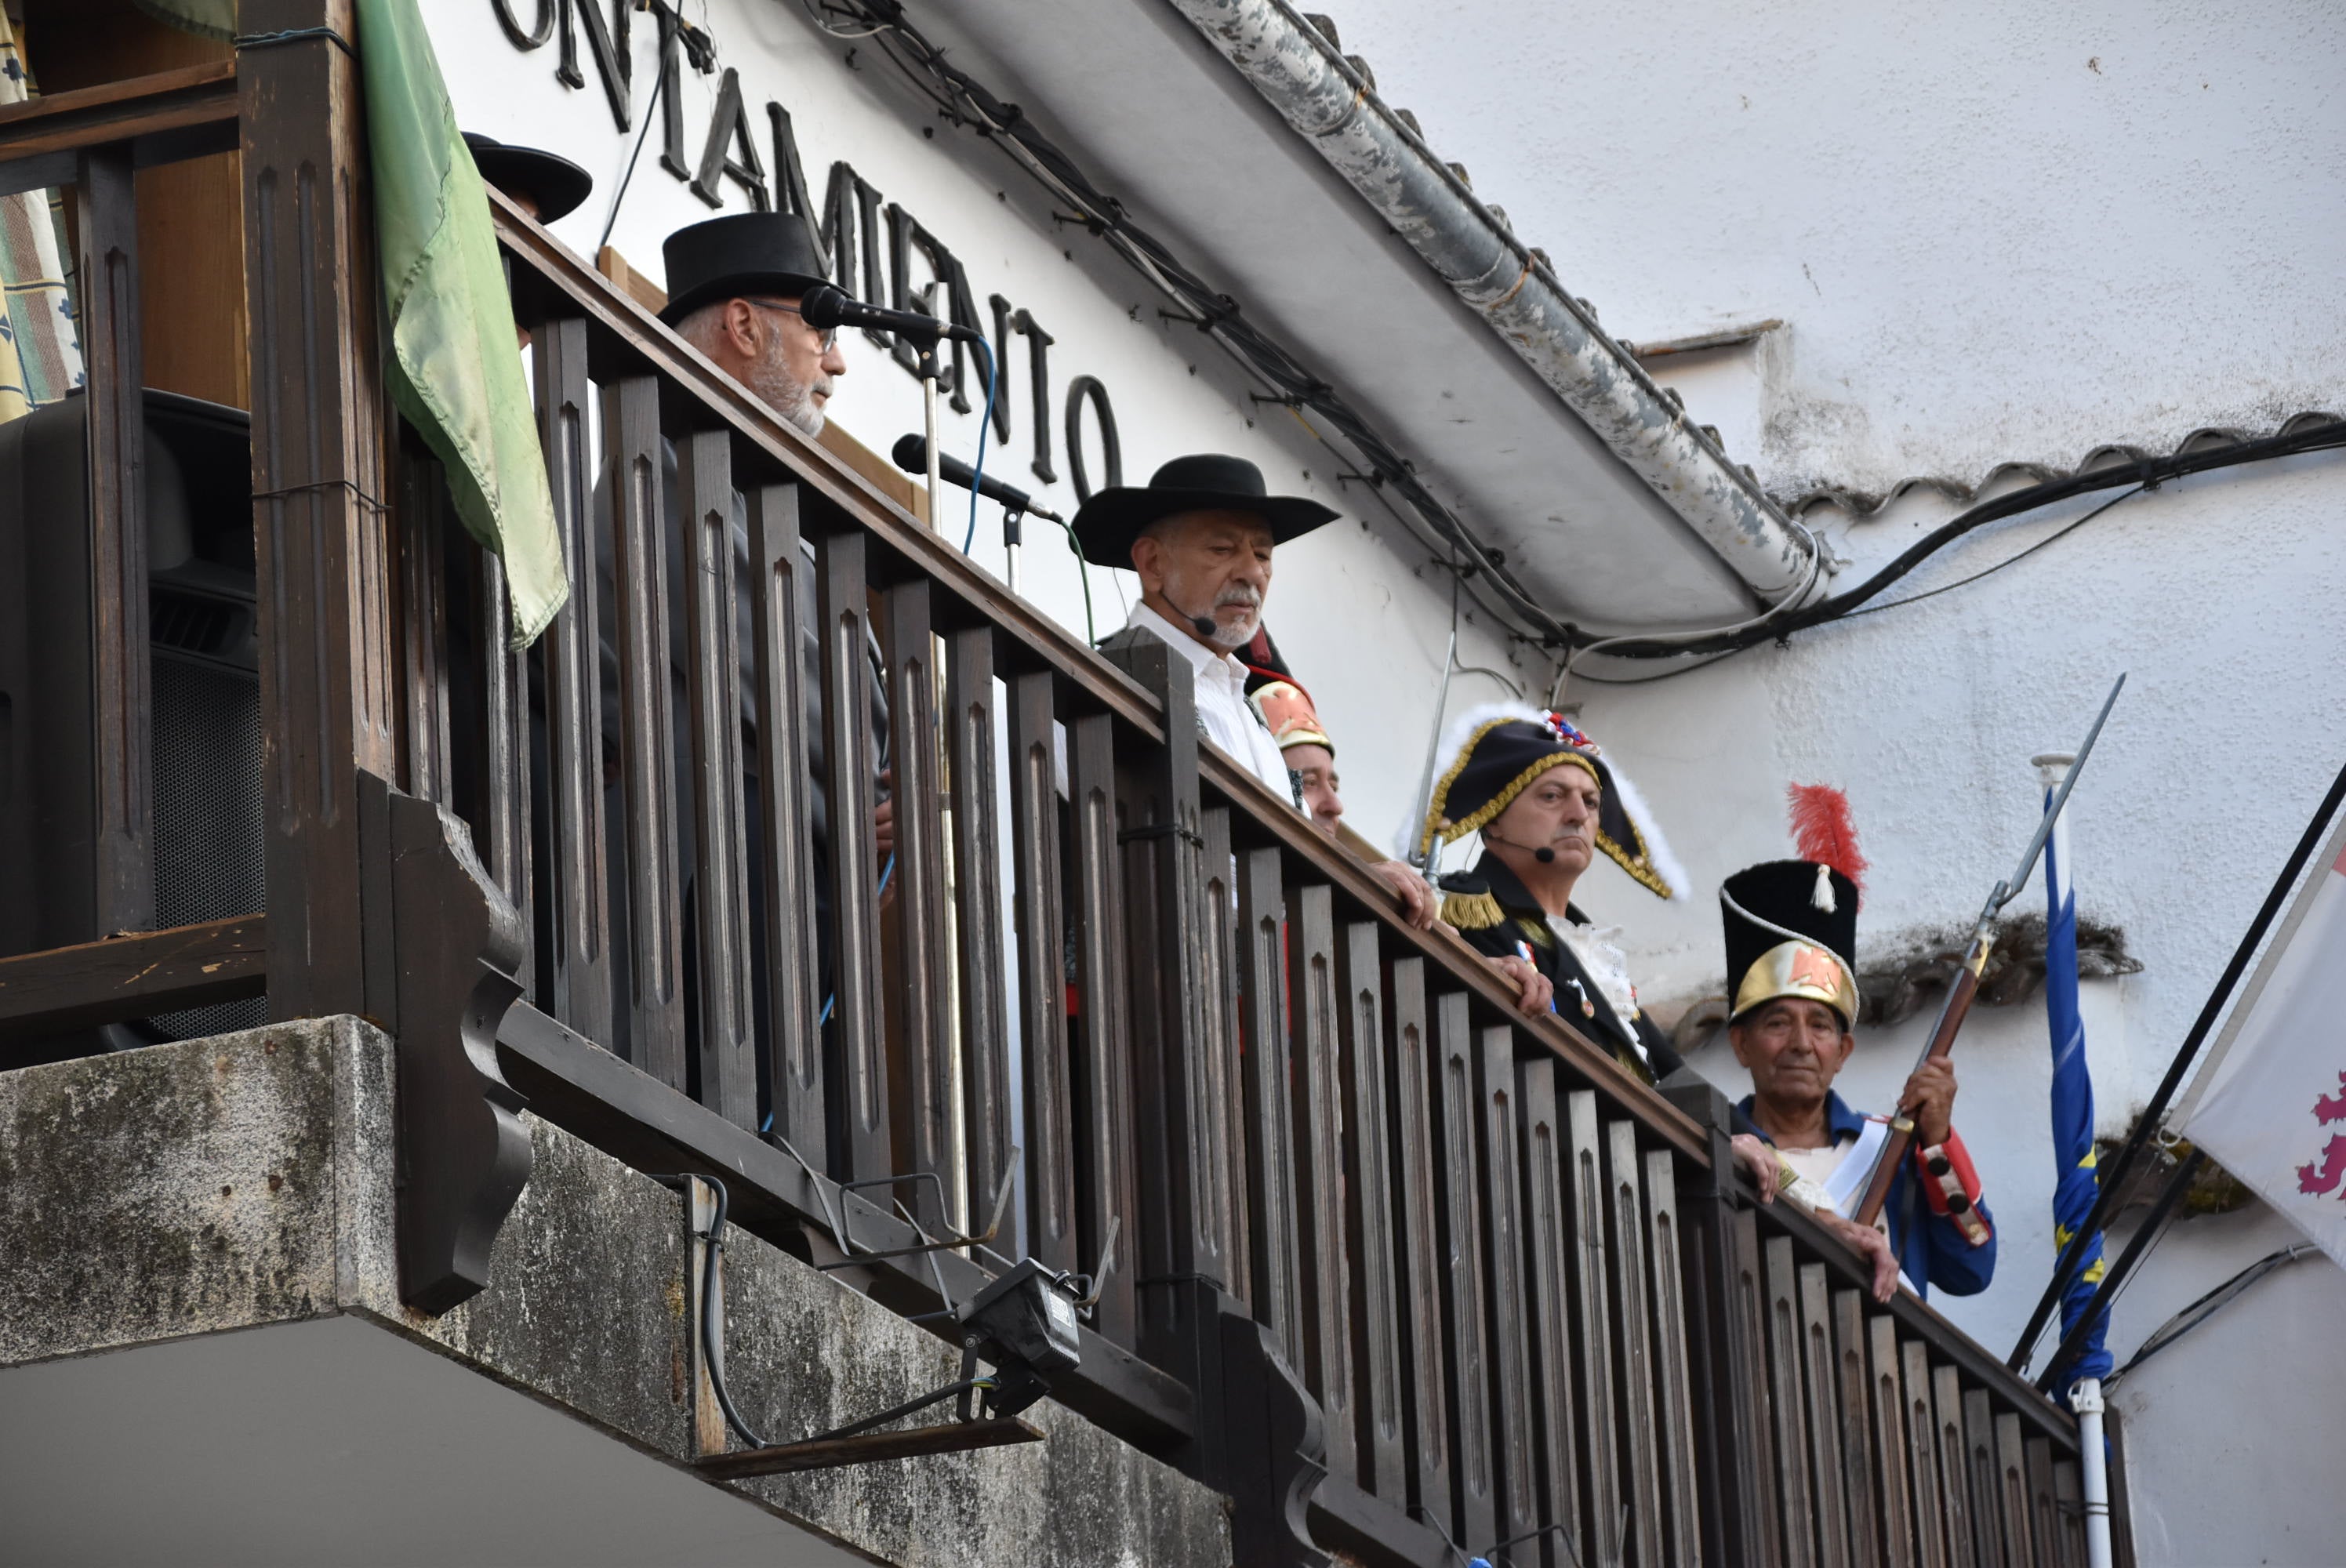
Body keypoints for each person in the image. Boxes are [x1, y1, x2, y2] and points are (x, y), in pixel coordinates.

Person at [1073, 455, 1436, 928]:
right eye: (1223, 549)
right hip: (1145, 986)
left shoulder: (1250, 714)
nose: (1252, 572)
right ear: (1153, 563)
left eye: (1263, 554)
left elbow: (1296, 863)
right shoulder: (1109, 682)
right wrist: (1354, 883)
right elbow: (1185, 860)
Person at [1719, 851, 1996, 1301]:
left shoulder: (1893, 1147)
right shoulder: (1718, 1146)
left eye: (1821, 1026)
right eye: (1777, 1023)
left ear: (1843, 1051)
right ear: (1741, 1044)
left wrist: (1936, 1139)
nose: (1801, 1044)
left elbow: (1971, 1270)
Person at [1414, 704, 1688, 1056]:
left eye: (1591, 803)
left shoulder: (1597, 955)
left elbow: (1671, 1079)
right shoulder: (1458, 907)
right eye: (1552, 796)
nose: (1578, 816)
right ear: (1494, 819)